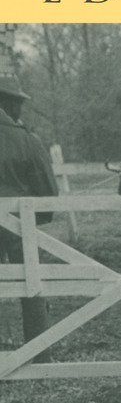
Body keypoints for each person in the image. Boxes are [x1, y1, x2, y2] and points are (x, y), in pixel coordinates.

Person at [0, 72, 59, 345]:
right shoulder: (27, 140)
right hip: (18, 224)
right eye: (19, 103)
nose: (20, 109)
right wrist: (41, 217)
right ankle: (39, 352)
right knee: (31, 285)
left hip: (15, 222)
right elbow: (48, 189)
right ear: (9, 103)